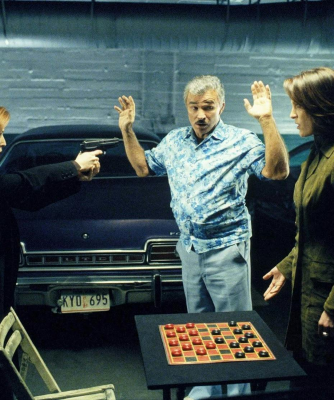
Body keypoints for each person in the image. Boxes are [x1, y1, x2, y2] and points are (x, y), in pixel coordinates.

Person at [115, 75, 289, 399]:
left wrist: (266, 119)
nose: (200, 115)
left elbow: (277, 171)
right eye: (194, 107)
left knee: (235, 328)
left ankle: (236, 393)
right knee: (200, 327)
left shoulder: (241, 141)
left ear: (221, 105)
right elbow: (143, 167)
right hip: (191, 249)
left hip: (227, 248)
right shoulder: (174, 141)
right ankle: (207, 387)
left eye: (208, 107)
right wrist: (127, 130)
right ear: (187, 107)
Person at [0, 99, 102, 400]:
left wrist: (75, 176)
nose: (2, 142)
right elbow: (20, 185)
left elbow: (27, 197)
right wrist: (74, 166)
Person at [262, 67, 334, 389]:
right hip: (309, 294)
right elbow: (316, 231)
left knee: (323, 384)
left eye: (297, 106)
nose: (292, 115)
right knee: (306, 378)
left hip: (330, 299)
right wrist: (287, 266)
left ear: (322, 108)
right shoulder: (320, 151)